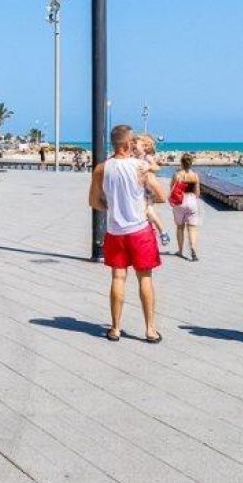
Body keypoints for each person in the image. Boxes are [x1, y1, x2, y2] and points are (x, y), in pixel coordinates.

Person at [88, 124, 168, 342]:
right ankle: (150, 330)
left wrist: (112, 207)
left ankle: (115, 328)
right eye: (132, 140)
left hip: (115, 231)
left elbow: (93, 201)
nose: (134, 143)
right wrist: (144, 201)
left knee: (118, 277)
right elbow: (162, 196)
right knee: (145, 278)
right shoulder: (140, 167)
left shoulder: (101, 168)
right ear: (126, 143)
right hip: (140, 230)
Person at [134, 134, 171, 248]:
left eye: (137, 145)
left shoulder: (147, 157)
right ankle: (150, 233)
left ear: (144, 147)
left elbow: (157, 167)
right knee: (144, 214)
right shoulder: (134, 158)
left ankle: (163, 232)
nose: (134, 146)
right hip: (139, 189)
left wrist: (148, 168)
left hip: (147, 190)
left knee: (149, 212)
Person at [171, 153, 203, 261]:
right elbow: (197, 193)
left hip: (180, 202)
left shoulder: (177, 175)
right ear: (191, 163)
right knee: (192, 227)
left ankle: (180, 251)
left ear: (181, 163)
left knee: (180, 227)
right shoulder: (195, 175)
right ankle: (193, 249)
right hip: (192, 201)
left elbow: (172, 189)